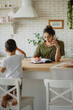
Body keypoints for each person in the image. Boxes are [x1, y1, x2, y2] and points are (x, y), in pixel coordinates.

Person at [0, 39, 26, 108]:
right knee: (18, 93)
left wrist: (1, 67)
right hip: (18, 80)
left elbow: (2, 70)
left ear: (6, 50)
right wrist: (18, 49)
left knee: (9, 93)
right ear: (15, 48)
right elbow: (24, 54)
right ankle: (16, 97)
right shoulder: (19, 57)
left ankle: (4, 97)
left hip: (9, 81)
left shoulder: (5, 60)